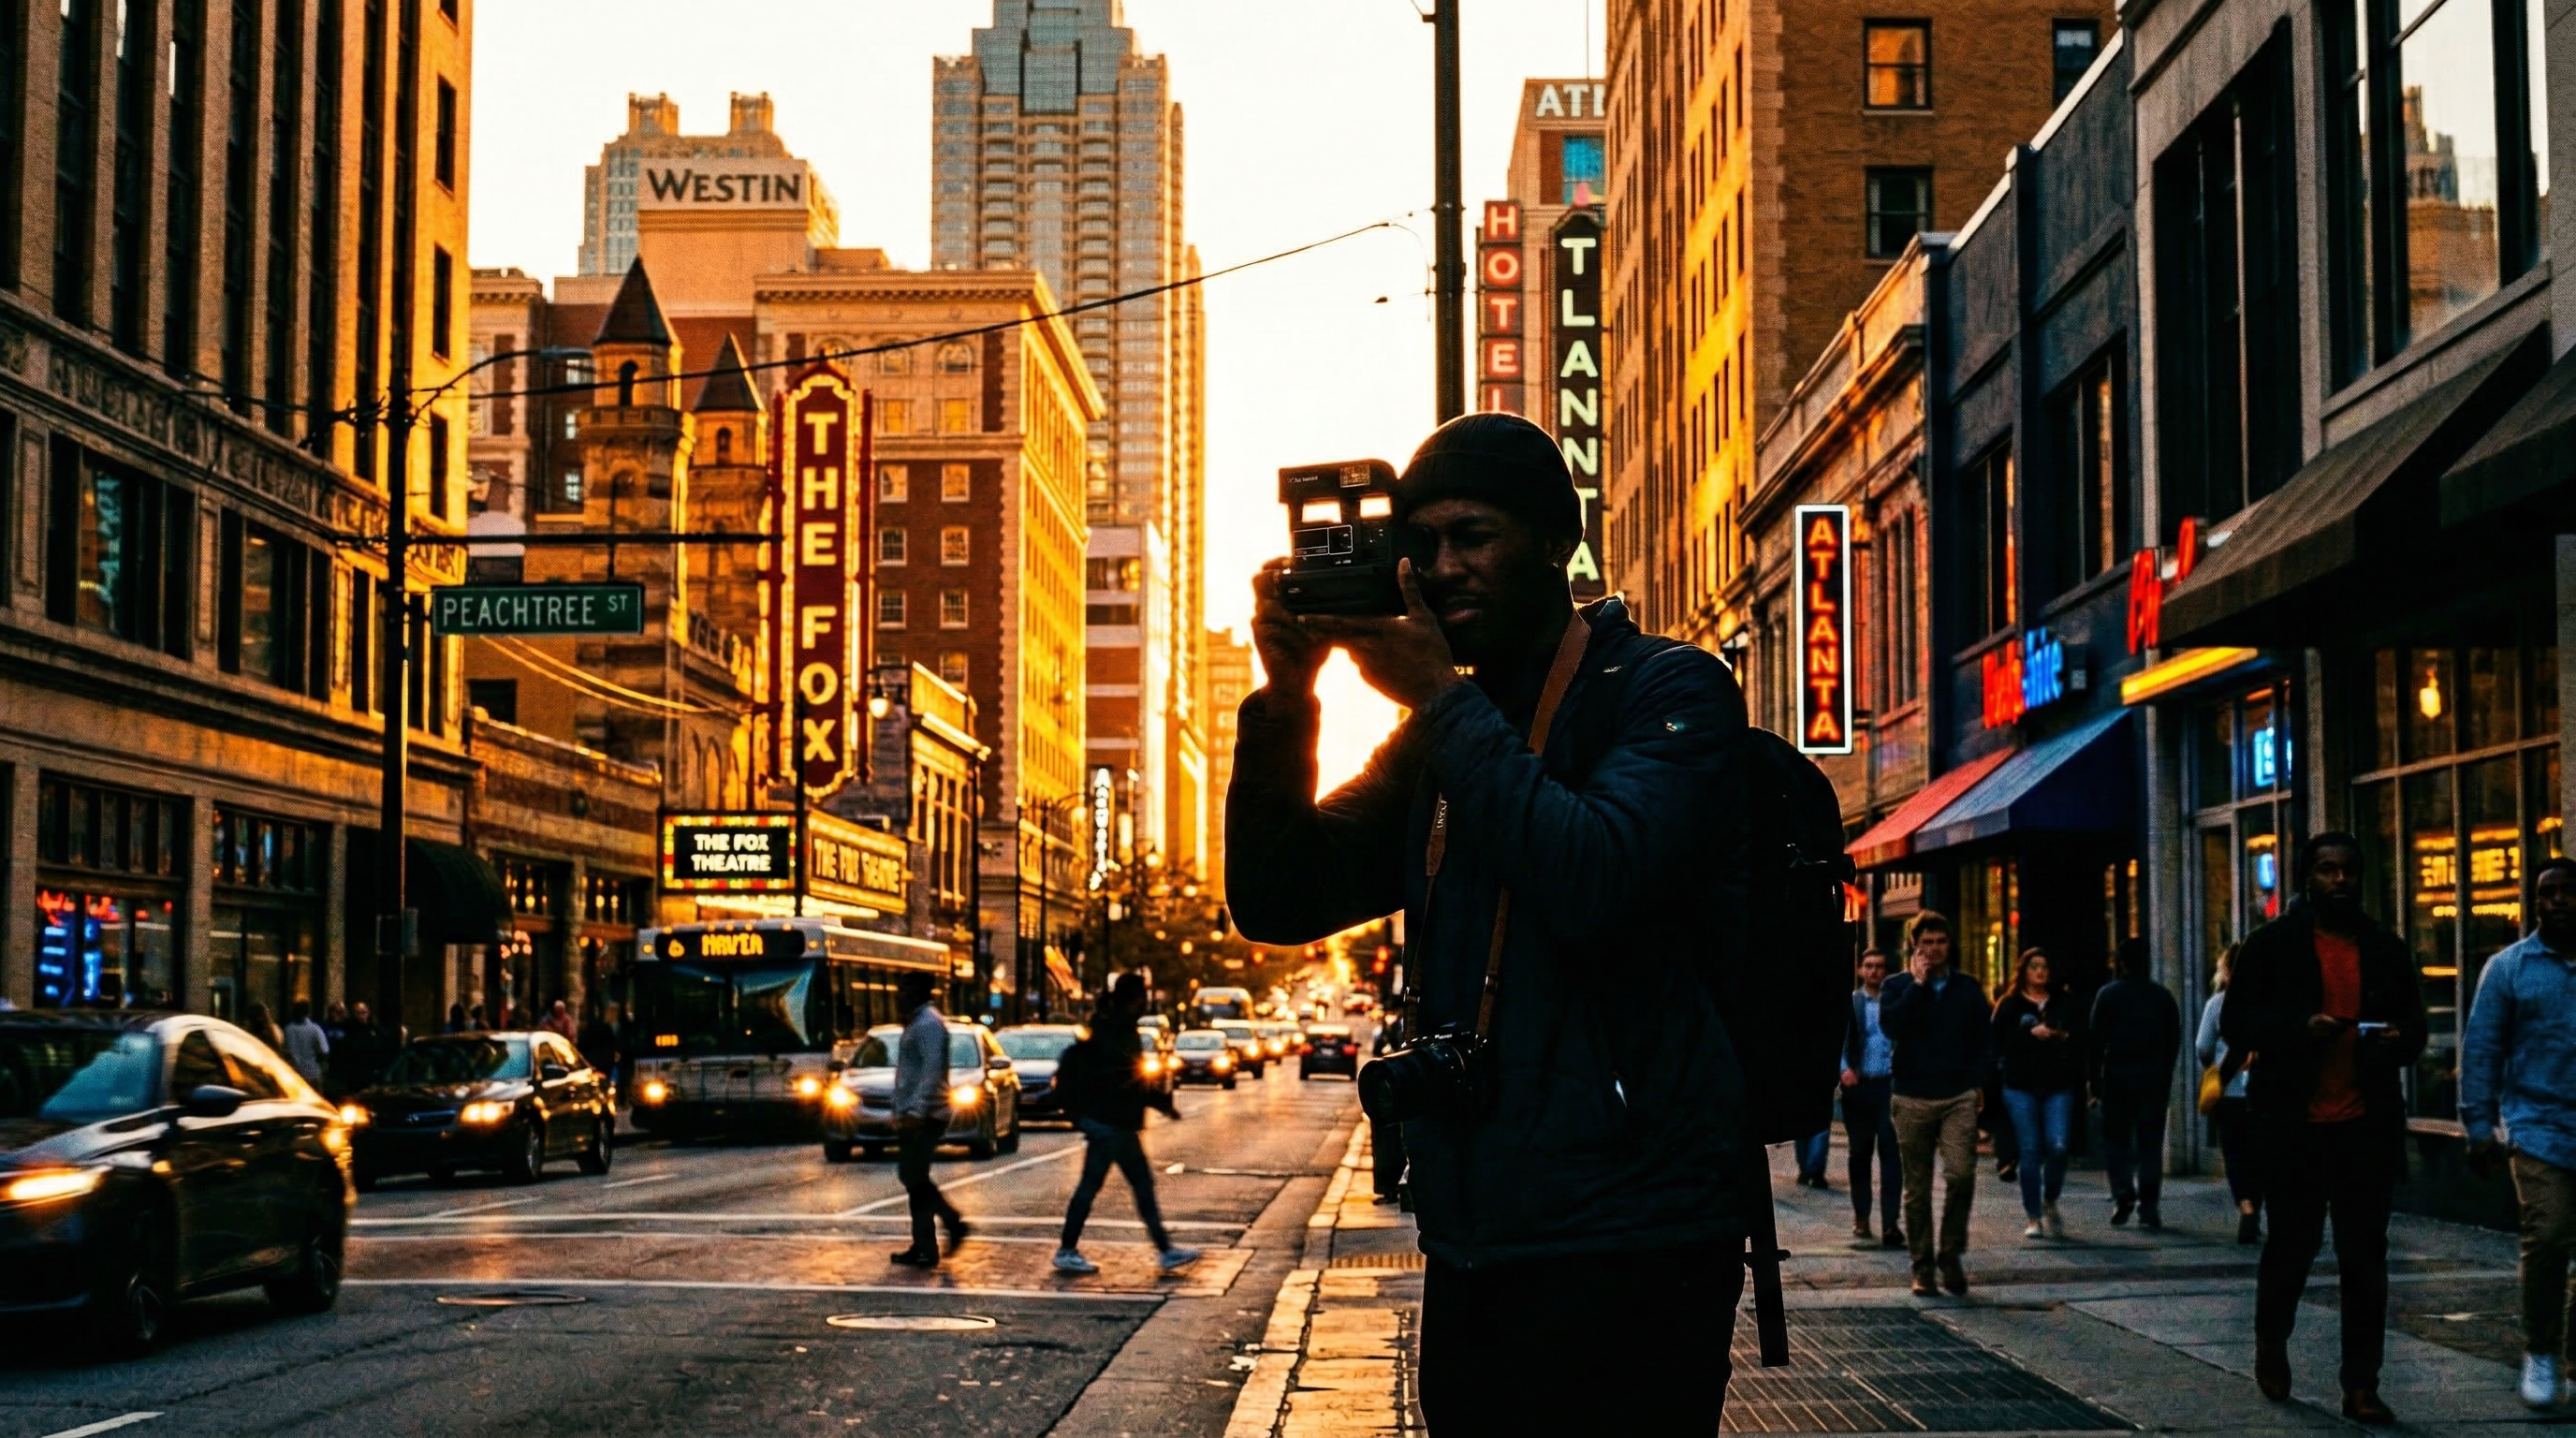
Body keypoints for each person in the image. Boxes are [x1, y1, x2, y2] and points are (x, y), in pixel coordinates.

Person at [1227, 413, 1757, 1435]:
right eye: (1417, 545)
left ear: (1556, 545)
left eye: (1472, 537)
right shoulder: (1441, 733)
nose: (1440, 568)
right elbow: (1282, 897)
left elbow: (1598, 876)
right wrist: (1288, 696)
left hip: (1639, 1233)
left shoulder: (1666, 689)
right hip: (1480, 1233)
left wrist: (1436, 700)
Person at [2224, 831, 2426, 1426]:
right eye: (2327, 870)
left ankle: (2361, 1384)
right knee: (2294, 1245)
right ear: (2306, 878)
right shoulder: (2272, 946)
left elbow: (2413, 1023)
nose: (2339, 880)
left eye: (2349, 871)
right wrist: (2297, 1027)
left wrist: (2400, 1040)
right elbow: (2239, 1019)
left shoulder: (2383, 948)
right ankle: (2271, 1339)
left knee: (2364, 1255)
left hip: (2365, 1124)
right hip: (2296, 1127)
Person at [2461, 856, 2576, 1409]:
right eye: (2544, 893)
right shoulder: (2510, 968)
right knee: (2549, 1236)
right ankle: (2542, 1350)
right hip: (2538, 1127)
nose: (2554, 902)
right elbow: (2482, 1047)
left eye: (2565, 893)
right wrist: (2479, 1125)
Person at [1053, 974, 1201, 1275]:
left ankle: (1163, 1249)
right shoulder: (1119, 1031)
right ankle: (1068, 1249)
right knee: (1109, 1185)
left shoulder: (1109, 1024)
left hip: (1113, 1122)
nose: (1146, 1000)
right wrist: (1162, 1103)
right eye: (1142, 994)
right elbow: (1128, 1079)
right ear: (1133, 997)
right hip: (1113, 1122)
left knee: (1118, 1185)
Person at [1881, 911, 1990, 1298]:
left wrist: (1978, 1084)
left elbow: (1982, 1039)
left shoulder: (1967, 988)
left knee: (1961, 1175)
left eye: (1940, 941)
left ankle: (1950, 1254)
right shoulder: (1897, 986)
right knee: (1917, 1187)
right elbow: (1891, 1026)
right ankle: (1922, 1266)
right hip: (1911, 1096)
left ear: (1950, 944)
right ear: (1915, 946)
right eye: (1926, 942)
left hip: (1957, 1094)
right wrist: (1917, 984)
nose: (1934, 949)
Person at [2092, 937, 2184, 1229]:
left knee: (2115, 1140)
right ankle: (2149, 1207)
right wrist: (2165, 1074)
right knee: (2150, 1144)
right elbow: (2173, 1041)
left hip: (2118, 1077)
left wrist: (2094, 1082)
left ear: (2121, 962)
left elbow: (2095, 1041)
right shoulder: (2163, 997)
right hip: (2153, 1079)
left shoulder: (2108, 995)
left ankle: (2122, 1191)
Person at [1993, 949, 2082, 1240]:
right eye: (2034, 967)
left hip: (2058, 1084)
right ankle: (2033, 1215)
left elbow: (2080, 1037)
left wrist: (2059, 1036)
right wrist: (2028, 1036)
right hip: (2020, 1086)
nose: (2040, 972)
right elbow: (1996, 1042)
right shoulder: (2010, 1005)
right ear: (2024, 971)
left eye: (2045, 966)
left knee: (2058, 1146)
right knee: (2029, 1150)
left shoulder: (2064, 1003)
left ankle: (2050, 1197)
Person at [889, 970, 970, 1269]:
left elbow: (932, 1072)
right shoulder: (918, 1023)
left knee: (912, 1176)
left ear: (919, 992)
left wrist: (917, 1111)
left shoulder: (929, 1025)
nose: (898, 994)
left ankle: (951, 1222)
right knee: (913, 1177)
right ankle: (924, 1244)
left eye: (904, 988)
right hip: (915, 1112)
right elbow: (910, 1073)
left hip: (927, 1114)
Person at [2195, 944, 2263, 1244]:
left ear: (2226, 969)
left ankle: (2246, 1205)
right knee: (2258, 1154)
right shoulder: (2266, 1002)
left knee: (2235, 1152)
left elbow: (2202, 1047)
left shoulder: (2218, 1003)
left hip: (2229, 1090)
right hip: (2262, 1091)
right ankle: (2257, 1207)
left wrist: (2216, 1066)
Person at [1841, 948, 1904, 1248]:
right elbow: (1837, 1040)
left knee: (1892, 1153)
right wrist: (1844, 1070)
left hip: (1891, 1087)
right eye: (1869, 966)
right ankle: (1862, 1215)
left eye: (1880, 966)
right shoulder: (1852, 1003)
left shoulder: (1896, 1002)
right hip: (1860, 1086)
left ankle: (1891, 1222)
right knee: (1860, 1154)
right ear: (1861, 970)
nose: (1875, 971)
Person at [329, 1002, 387, 1098]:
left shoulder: (373, 1029)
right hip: (354, 1071)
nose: (361, 1015)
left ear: (368, 1013)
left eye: (363, 1012)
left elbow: (379, 1047)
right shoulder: (349, 1028)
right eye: (358, 1013)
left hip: (369, 1071)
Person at [279, 1001, 330, 1089]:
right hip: (313, 1072)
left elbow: (284, 1050)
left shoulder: (288, 1029)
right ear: (308, 1013)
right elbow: (324, 1050)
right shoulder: (315, 1029)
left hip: (294, 1073)